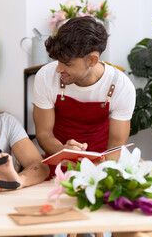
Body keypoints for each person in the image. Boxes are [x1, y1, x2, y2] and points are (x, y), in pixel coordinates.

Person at [33, 16, 136, 180]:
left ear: (92, 60)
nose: (59, 69)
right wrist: (64, 152)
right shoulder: (45, 76)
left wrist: (98, 170)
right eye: (58, 61)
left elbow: (116, 145)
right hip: (58, 163)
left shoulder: (121, 86)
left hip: (101, 165)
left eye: (67, 64)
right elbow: (44, 134)